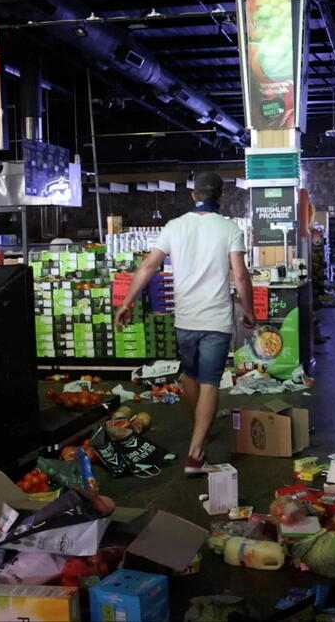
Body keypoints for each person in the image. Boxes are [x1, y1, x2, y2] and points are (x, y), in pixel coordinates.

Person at [114, 172, 255, 474]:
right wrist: (249, 309)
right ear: (222, 196)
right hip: (215, 319)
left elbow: (148, 266)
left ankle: (199, 427)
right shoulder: (229, 228)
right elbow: (241, 275)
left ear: (194, 195)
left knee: (191, 376)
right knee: (210, 382)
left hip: (185, 318)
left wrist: (126, 303)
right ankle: (195, 455)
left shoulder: (174, 226)